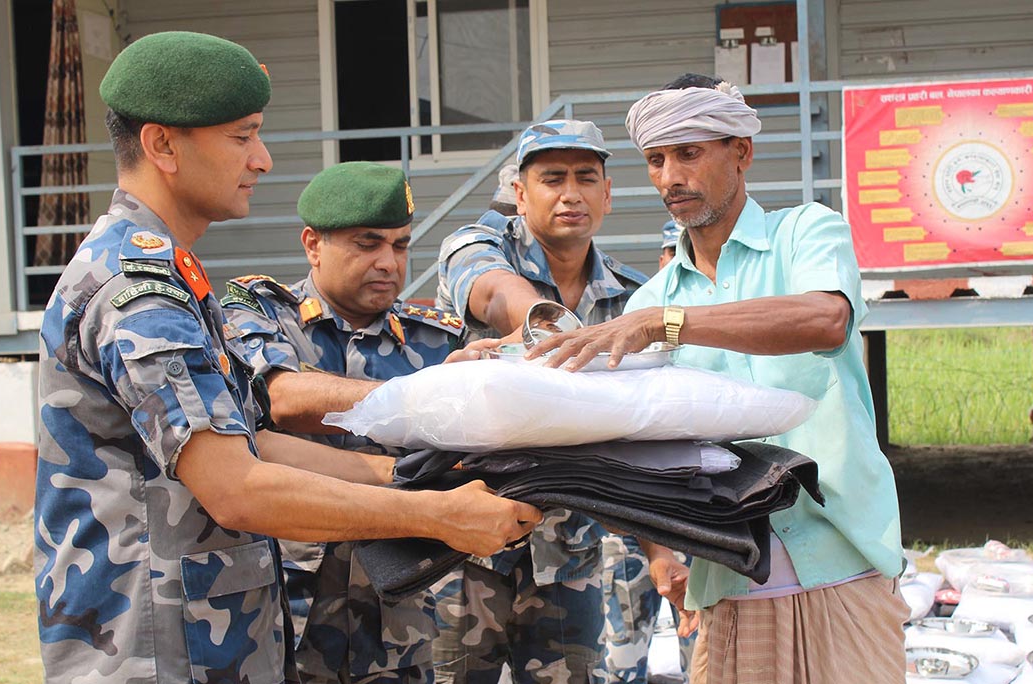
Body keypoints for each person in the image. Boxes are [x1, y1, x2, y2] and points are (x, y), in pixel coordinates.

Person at [34, 31, 541, 684]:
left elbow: (257, 446)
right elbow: (238, 490)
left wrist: (403, 479)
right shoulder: (137, 291)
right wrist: (439, 515)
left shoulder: (169, 278)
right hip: (154, 654)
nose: (263, 160)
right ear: (162, 144)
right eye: (242, 137)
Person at [527, 74, 908, 684]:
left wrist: (670, 324)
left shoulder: (805, 232)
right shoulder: (650, 302)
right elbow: (634, 440)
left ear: (742, 152)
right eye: (656, 160)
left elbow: (825, 320)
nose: (670, 177)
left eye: (689, 153)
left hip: (842, 562)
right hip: (728, 581)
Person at [222, 162, 467, 684]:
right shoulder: (259, 314)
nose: (388, 262)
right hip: (288, 608)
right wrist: (425, 396)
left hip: (399, 613)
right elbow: (280, 397)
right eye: (367, 243)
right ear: (313, 244)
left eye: (400, 246)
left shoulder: (436, 341)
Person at [432, 119, 647, 684]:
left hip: (569, 551)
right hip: (466, 544)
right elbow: (495, 288)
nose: (571, 193)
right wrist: (540, 324)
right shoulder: (477, 246)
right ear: (521, 195)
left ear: (608, 194)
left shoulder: (631, 298)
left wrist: (664, 551)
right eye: (552, 179)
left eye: (585, 178)